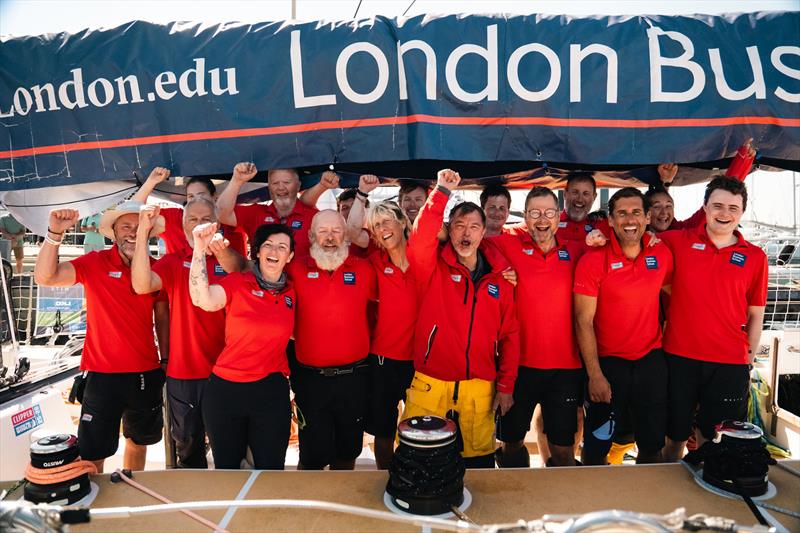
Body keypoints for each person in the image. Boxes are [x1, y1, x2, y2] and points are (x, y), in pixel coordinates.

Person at [33, 201, 169, 473]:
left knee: (138, 442)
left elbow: (162, 317)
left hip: (145, 373)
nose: (132, 232)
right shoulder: (95, 263)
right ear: (115, 232)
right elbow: (46, 277)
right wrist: (54, 234)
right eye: (126, 227)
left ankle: (132, 493)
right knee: (94, 452)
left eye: (139, 226)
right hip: (101, 375)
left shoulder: (158, 268)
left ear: (149, 231)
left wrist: (165, 360)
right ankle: (95, 507)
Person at [402, 169, 520, 468]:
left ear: (484, 232)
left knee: (478, 466)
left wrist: (506, 386)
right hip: (431, 381)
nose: (466, 233)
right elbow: (420, 237)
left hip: (479, 385)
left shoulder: (500, 279)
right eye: (459, 226)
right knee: (419, 460)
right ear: (449, 230)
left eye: (473, 227)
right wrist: (441, 191)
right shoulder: (432, 268)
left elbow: (510, 335)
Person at [131, 197, 245, 468]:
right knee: (189, 449)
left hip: (229, 372)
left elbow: (247, 273)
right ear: (183, 230)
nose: (199, 225)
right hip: (185, 373)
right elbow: (141, 285)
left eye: (205, 218)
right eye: (192, 220)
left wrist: (221, 253)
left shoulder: (232, 260)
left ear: (216, 223)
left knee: (230, 450)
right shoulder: (173, 262)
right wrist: (142, 235)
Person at [660, 177, 767, 462]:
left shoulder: (755, 257)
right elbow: (634, 239)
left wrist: (750, 358)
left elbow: (756, 313)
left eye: (733, 207)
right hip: (679, 357)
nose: (724, 213)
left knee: (713, 441)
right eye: (717, 205)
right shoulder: (675, 242)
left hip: (729, 362)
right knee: (674, 438)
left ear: (742, 211)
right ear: (705, 207)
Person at [574, 188, 674, 465]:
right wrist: (595, 375)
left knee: (653, 447)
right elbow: (583, 321)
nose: (629, 220)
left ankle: (650, 505)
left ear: (647, 217)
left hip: (651, 362)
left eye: (636, 212)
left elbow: (675, 297)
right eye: (622, 213)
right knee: (596, 449)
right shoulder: (593, 260)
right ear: (610, 220)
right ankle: (594, 506)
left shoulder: (662, 254)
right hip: (609, 365)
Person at [189, 222, 296, 469]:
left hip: (271, 390)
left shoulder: (292, 293)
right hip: (226, 391)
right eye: (268, 245)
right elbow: (201, 299)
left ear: (289, 256)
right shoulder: (238, 283)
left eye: (282, 247)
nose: (274, 251)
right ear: (257, 252)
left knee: (271, 469)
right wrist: (199, 249)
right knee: (228, 469)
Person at [491, 187, 585, 467]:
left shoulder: (577, 249)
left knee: (564, 451)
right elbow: (464, 239)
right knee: (511, 444)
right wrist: (498, 271)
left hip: (566, 369)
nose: (541, 219)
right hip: (519, 366)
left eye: (548, 213)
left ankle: (561, 506)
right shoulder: (506, 242)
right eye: (534, 213)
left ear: (558, 216)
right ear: (525, 217)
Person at [287, 210, 377, 470]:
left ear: (346, 235)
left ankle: (342, 506)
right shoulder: (295, 268)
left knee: (347, 452)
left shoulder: (364, 269)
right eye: (323, 231)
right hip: (310, 380)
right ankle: (311, 508)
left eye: (336, 231)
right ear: (311, 235)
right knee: (311, 456)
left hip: (354, 378)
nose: (330, 237)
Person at [347, 174, 416, 469]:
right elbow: (351, 230)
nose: (382, 229)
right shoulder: (375, 261)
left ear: (402, 221)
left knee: (416, 430)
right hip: (383, 360)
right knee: (384, 431)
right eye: (376, 226)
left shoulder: (425, 255)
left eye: (387, 221)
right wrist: (362, 194)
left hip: (422, 361)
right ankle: (385, 480)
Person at [216, 163, 339, 257]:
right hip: (263, 288)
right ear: (269, 188)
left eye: (286, 182)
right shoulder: (256, 213)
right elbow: (222, 214)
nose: (281, 187)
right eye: (275, 183)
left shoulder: (315, 217)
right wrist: (237, 181)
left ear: (298, 185)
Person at [133, 166, 247, 256]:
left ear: (214, 197)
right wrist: (151, 182)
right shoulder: (174, 218)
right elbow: (134, 213)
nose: (197, 200)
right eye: (191, 196)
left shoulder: (228, 216)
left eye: (201, 195)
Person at [557, 172, 609, 243]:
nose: (580, 199)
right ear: (565, 194)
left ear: (594, 197)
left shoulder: (603, 225)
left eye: (586, 194)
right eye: (575, 192)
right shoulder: (550, 223)